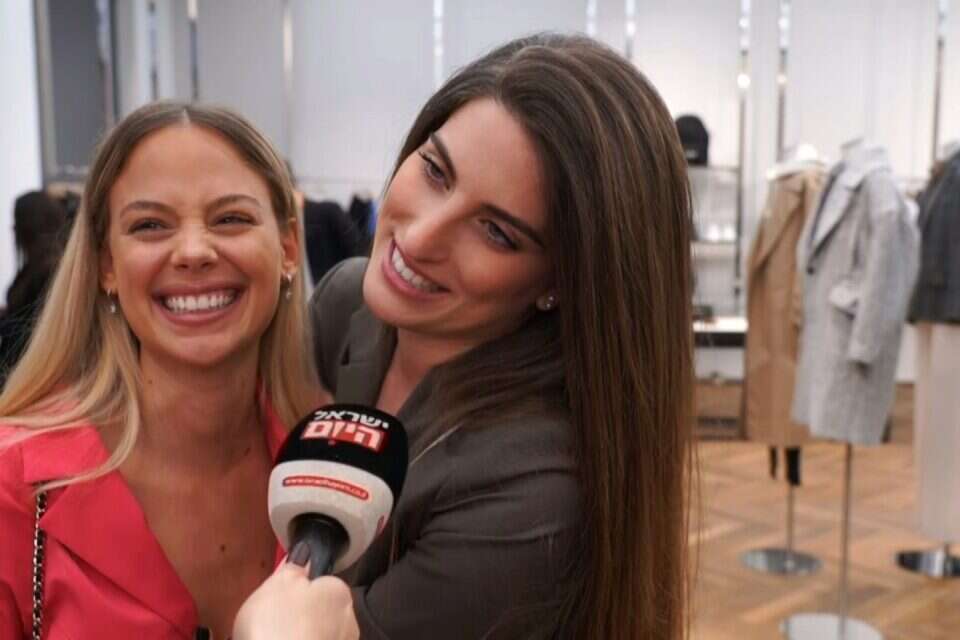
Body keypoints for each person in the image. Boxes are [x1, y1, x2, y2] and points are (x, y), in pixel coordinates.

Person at [236, 33, 695, 639]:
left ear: (560, 282)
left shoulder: (532, 491)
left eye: (496, 232)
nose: (419, 237)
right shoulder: (347, 303)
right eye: (434, 171)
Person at [0, 102, 320, 639]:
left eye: (231, 218)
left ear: (288, 248)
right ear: (107, 265)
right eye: (149, 225)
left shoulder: (336, 474)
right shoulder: (14, 487)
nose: (193, 251)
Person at [0, 191, 68, 386]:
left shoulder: (48, 271)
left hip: (25, 374)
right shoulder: (41, 267)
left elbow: (32, 328)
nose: (13, 230)